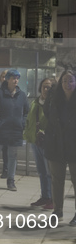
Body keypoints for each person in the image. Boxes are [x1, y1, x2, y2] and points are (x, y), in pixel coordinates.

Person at [43, 70, 76, 223]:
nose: (67, 84)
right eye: (64, 81)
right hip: (56, 144)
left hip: (74, 145)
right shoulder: (54, 99)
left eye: (70, 81)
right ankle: (58, 210)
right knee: (57, 179)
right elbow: (48, 115)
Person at [24, 78, 53, 210]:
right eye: (44, 87)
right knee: (41, 171)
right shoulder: (35, 102)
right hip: (35, 141)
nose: (46, 89)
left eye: (49, 87)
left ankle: (53, 199)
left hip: (47, 142)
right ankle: (45, 196)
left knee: (49, 172)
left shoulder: (53, 104)